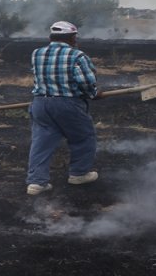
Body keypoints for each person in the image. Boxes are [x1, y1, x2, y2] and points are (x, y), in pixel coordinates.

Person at [25, 20, 104, 195]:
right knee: (83, 137)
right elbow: (86, 82)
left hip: (40, 103)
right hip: (67, 104)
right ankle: (79, 174)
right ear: (71, 37)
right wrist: (94, 94)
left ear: (51, 37)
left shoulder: (37, 53)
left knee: (41, 142)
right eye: (75, 36)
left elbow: (39, 78)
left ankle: (36, 183)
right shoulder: (77, 56)